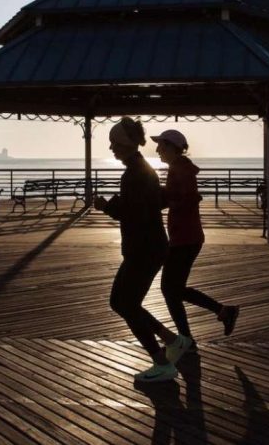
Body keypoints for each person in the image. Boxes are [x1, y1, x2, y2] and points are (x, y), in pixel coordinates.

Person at [93, 117, 177, 383]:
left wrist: (107, 206)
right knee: (123, 302)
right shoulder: (142, 170)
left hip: (144, 249)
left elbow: (134, 213)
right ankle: (171, 340)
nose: (111, 149)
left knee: (124, 303)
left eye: (114, 144)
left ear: (125, 144)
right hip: (149, 247)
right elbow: (154, 203)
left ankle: (162, 361)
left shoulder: (134, 174)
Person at [151, 129, 239, 365]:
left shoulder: (180, 168)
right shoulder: (180, 167)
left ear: (171, 147)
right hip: (185, 237)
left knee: (170, 289)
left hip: (185, 238)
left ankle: (191, 337)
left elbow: (186, 198)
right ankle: (214, 318)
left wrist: (164, 200)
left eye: (160, 145)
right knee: (173, 289)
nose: (157, 150)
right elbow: (181, 196)